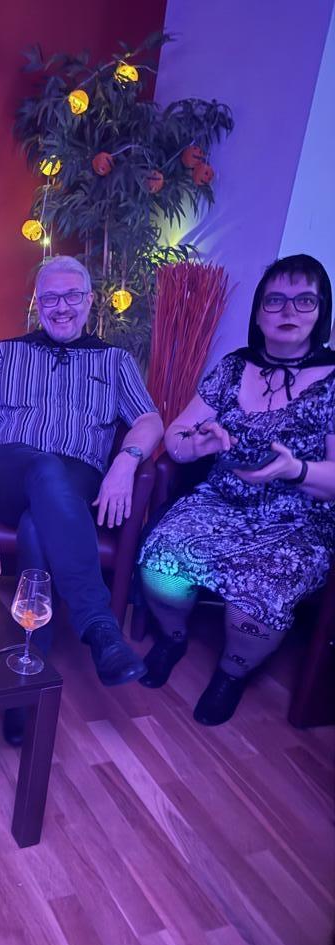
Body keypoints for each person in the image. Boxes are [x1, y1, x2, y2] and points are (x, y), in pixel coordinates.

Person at [0, 255, 163, 741]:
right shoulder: (7, 353)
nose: (61, 307)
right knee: (43, 467)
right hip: (11, 471)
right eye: (50, 298)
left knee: (37, 525)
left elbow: (149, 420)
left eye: (71, 296)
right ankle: (98, 624)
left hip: (77, 481)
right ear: (36, 304)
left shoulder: (115, 361)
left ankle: (26, 679)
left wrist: (126, 461)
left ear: (89, 301)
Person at [139, 254, 335, 725]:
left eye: (304, 300)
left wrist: (294, 470)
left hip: (297, 518)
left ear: (321, 311)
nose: (288, 311)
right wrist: (197, 443)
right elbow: (176, 437)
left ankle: (231, 672)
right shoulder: (232, 367)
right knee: (161, 559)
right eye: (275, 301)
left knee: (258, 597)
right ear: (259, 313)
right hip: (219, 501)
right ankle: (173, 638)